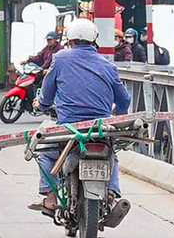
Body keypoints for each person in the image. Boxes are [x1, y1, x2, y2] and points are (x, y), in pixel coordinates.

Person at [30, 18, 131, 219]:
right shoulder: (107, 65)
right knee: (111, 156)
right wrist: (118, 116)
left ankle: (50, 199)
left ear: (71, 41)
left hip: (69, 127)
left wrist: (40, 105)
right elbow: (124, 100)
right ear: (94, 41)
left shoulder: (60, 58)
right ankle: (110, 195)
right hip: (101, 128)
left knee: (47, 154)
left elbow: (47, 93)